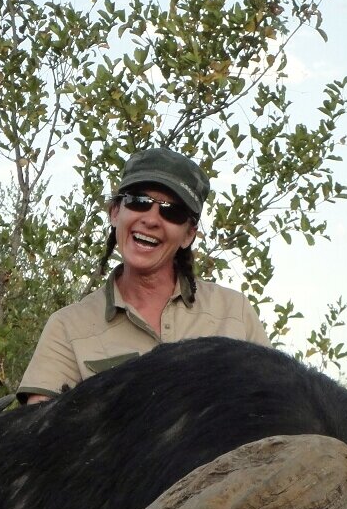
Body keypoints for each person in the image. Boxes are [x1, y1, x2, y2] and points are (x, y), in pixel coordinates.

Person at [16, 148, 271, 403]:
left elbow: (275, 413)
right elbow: (38, 434)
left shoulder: (235, 313)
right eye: (139, 201)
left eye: (172, 211)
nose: (151, 219)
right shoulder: (68, 327)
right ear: (115, 212)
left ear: (189, 234)